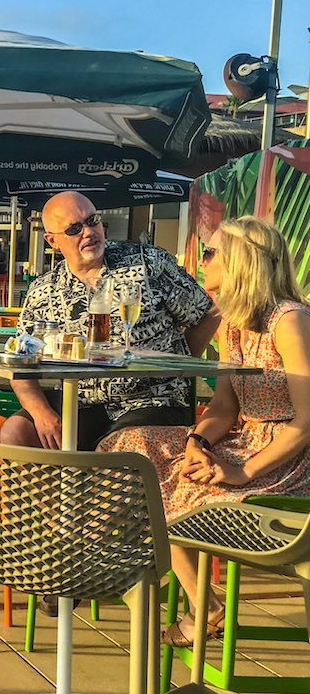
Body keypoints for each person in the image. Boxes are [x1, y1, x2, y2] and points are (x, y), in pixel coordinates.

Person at [100, 217, 310, 646]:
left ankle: (195, 605)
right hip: (244, 441)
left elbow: (306, 423)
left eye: (211, 252)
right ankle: (189, 598)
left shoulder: (290, 320)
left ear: (242, 262)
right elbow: (224, 405)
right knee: (132, 447)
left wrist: (244, 471)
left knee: (177, 484)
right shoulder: (236, 322)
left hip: (288, 458)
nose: (200, 260)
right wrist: (198, 442)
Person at [0, 191, 220, 453]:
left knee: (116, 446)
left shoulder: (147, 264)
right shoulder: (43, 291)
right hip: (79, 401)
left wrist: (173, 365)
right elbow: (20, 362)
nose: (89, 232)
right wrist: (40, 413)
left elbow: (208, 313)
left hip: (152, 400)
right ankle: (48, 495)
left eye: (92, 220)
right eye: (74, 228)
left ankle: (98, 492)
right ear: (52, 241)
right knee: (16, 431)